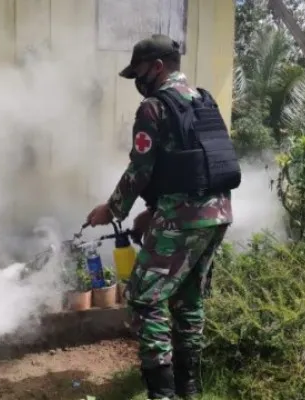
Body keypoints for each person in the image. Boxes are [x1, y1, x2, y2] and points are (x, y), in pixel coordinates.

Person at [85, 34, 240, 399]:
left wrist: (111, 210)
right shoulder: (203, 100)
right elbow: (192, 162)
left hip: (182, 218)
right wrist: (154, 211)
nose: (137, 81)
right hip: (217, 214)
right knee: (188, 299)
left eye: (138, 72)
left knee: (144, 295)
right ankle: (190, 388)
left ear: (157, 67)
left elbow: (140, 170)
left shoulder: (154, 107)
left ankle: (163, 393)